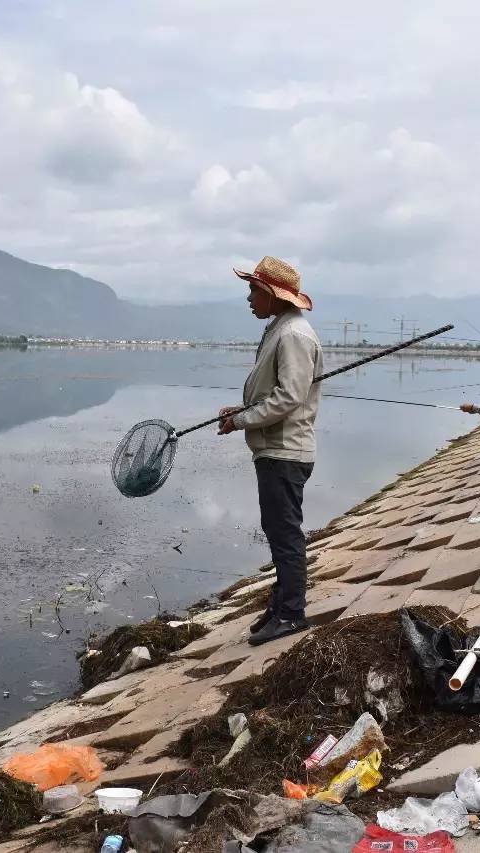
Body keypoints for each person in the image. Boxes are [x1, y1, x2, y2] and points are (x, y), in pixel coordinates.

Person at [218, 256, 322, 646]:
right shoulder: (280, 328)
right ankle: (280, 605)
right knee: (277, 530)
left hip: (284, 451)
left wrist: (242, 421)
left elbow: (289, 398)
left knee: (285, 536)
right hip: (275, 450)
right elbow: (274, 393)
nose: (249, 298)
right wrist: (241, 410)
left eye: (253, 291)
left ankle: (293, 614)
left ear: (272, 296)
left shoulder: (293, 334)